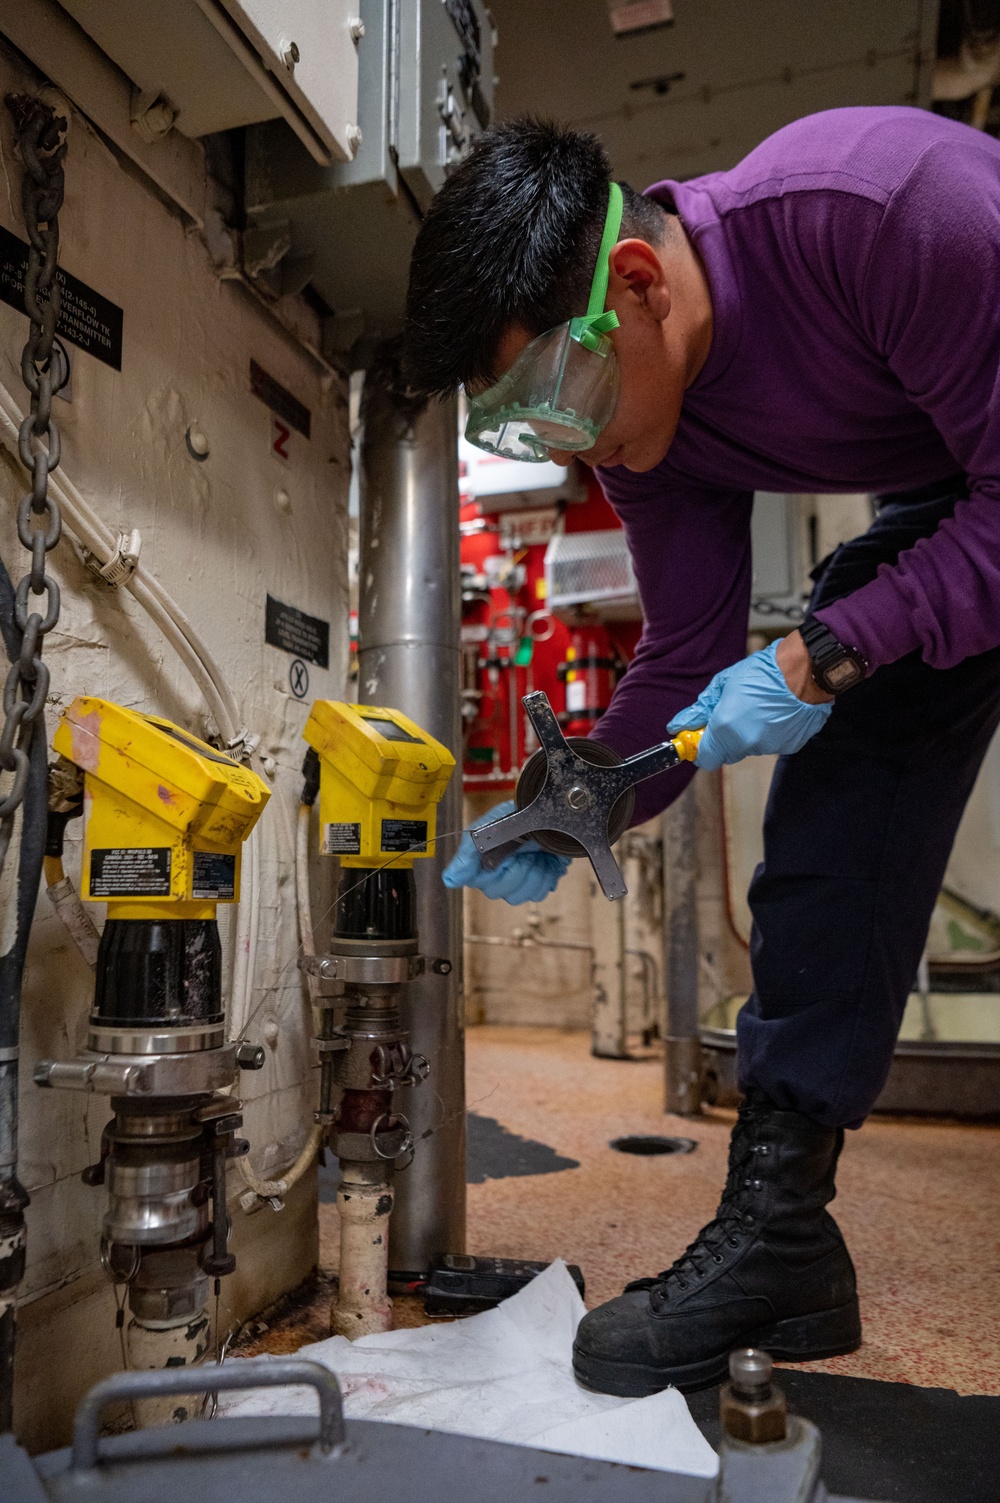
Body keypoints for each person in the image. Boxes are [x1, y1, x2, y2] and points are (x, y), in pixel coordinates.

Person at [402, 108, 1000, 1396]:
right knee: (849, 770)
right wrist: (589, 798)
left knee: (865, 626)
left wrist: (827, 652)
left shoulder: (887, 212)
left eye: (559, 395)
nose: (569, 445)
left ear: (633, 285)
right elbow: (683, 660)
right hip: (961, 484)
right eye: (525, 425)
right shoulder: (646, 423)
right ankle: (784, 1232)